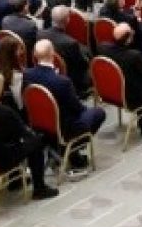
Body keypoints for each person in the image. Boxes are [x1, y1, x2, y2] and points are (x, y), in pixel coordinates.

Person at [0, 70, 58, 200]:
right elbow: (24, 134)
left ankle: (16, 180)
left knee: (11, 139)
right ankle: (39, 188)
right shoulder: (3, 112)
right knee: (36, 143)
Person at [23, 40, 104, 171]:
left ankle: (62, 148)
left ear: (35, 55)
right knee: (98, 113)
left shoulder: (27, 74)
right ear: (52, 53)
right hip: (64, 127)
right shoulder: (62, 81)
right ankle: (72, 149)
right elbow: (78, 109)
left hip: (40, 123)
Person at [99, 23, 142, 137]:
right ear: (128, 39)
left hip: (110, 91)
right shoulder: (134, 56)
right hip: (129, 96)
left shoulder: (102, 48)